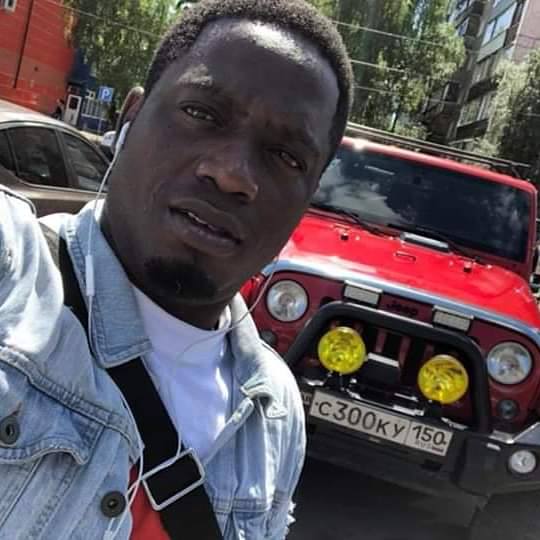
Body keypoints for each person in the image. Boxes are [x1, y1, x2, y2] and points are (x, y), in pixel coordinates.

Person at [0, 0, 353, 538]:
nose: (233, 174)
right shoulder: (14, 273)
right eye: (202, 113)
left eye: (286, 156)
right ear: (129, 119)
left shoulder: (274, 413)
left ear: (308, 197)